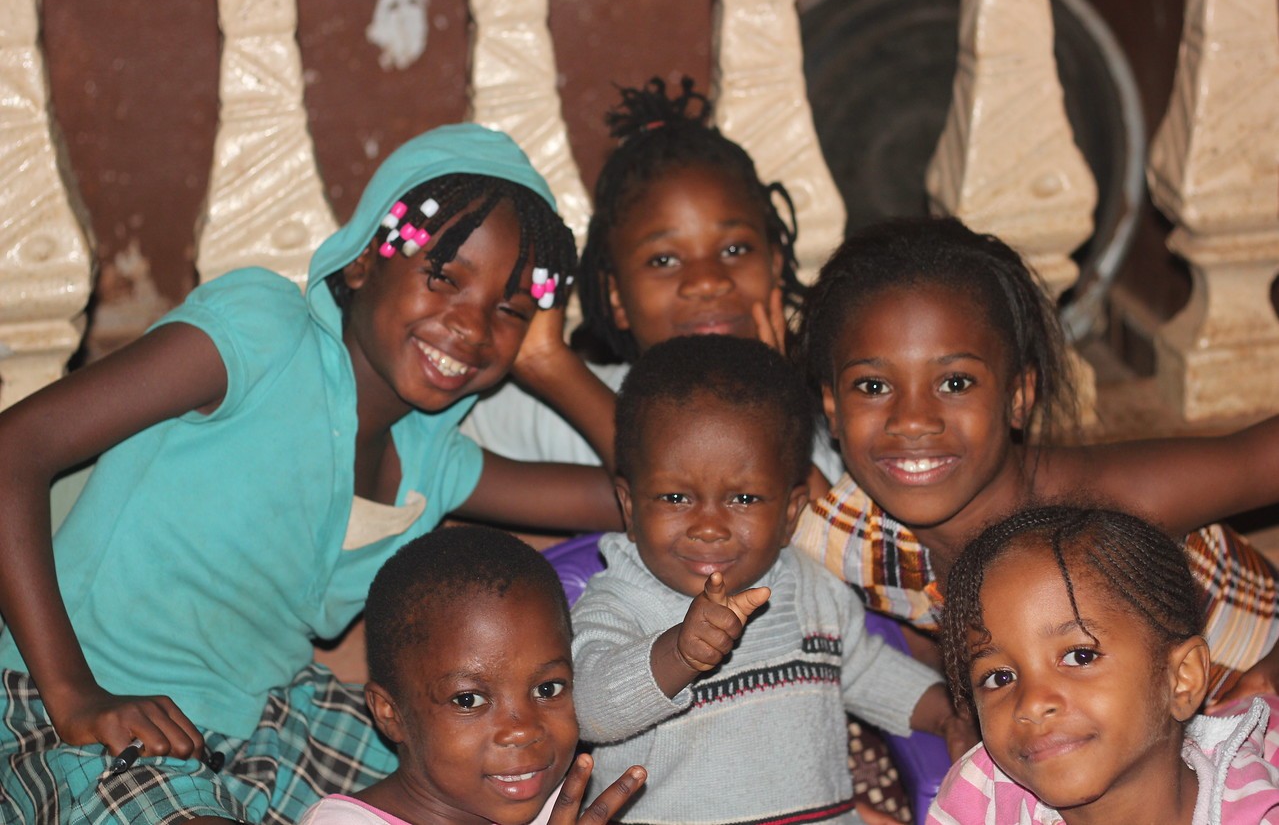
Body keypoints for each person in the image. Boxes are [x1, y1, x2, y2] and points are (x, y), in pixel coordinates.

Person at [0, 123, 623, 824]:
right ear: (360, 263)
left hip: (271, 720)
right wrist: (72, 691)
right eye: (444, 276)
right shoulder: (263, 334)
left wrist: (552, 363)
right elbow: (16, 448)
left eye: (507, 310)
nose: (471, 327)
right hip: (93, 697)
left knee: (496, 777)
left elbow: (651, 499)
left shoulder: (432, 457)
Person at [790, 216, 1279, 707]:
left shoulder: (1105, 503)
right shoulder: (846, 536)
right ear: (833, 409)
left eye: (955, 383)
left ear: (1018, 397)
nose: (913, 421)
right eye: (873, 387)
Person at [571, 335, 971, 825]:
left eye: (743, 500)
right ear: (631, 509)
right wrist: (678, 654)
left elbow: (865, 670)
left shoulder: (812, 588)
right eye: (675, 498)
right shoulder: (618, 603)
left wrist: (947, 714)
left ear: (789, 515)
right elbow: (588, 708)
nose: (709, 526)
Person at [461, 76, 843, 485]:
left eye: (734, 250)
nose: (707, 282)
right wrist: (543, 362)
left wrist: (552, 367)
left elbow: (824, 533)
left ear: (775, 265)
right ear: (616, 298)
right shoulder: (554, 409)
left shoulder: (831, 413)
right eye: (664, 259)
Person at [927, 505, 1279, 824]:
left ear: (1181, 679)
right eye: (999, 677)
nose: (1032, 703)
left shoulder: (1261, 809)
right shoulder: (980, 799)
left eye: (1079, 656)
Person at [297, 526, 646, 825]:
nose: (523, 729)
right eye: (469, 700)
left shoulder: (561, 809)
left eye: (548, 688)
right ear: (391, 713)